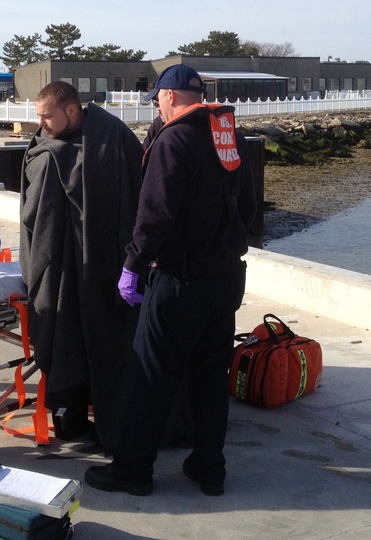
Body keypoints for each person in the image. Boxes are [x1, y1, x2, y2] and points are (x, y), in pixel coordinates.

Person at [84, 64, 257, 497]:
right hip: (226, 278)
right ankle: (208, 467)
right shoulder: (226, 135)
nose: (156, 109)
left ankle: (132, 469)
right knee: (211, 378)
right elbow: (249, 208)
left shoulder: (173, 140)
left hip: (179, 281)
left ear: (170, 97)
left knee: (150, 376)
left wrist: (134, 263)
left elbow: (155, 215)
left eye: (157, 100)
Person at [20, 81, 144, 448]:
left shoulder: (113, 138)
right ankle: (69, 413)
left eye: (46, 116)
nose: (40, 123)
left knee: (107, 344)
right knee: (62, 336)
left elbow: (136, 192)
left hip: (104, 267)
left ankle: (113, 422)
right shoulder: (41, 144)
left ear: (71, 111)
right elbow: (33, 204)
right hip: (58, 266)